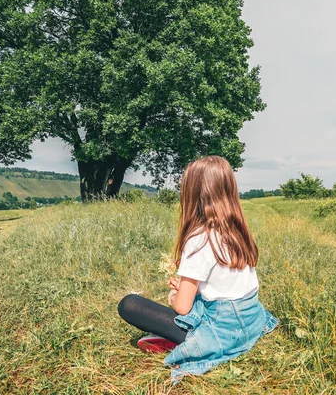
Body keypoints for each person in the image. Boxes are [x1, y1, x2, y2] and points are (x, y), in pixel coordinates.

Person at [117, 155, 279, 383]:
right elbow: (225, 284)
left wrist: (175, 294)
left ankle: (185, 342)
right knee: (189, 299)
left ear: (192, 194)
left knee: (129, 304)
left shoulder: (200, 238)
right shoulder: (237, 231)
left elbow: (183, 307)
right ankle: (181, 338)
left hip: (222, 330)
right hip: (251, 321)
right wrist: (190, 287)